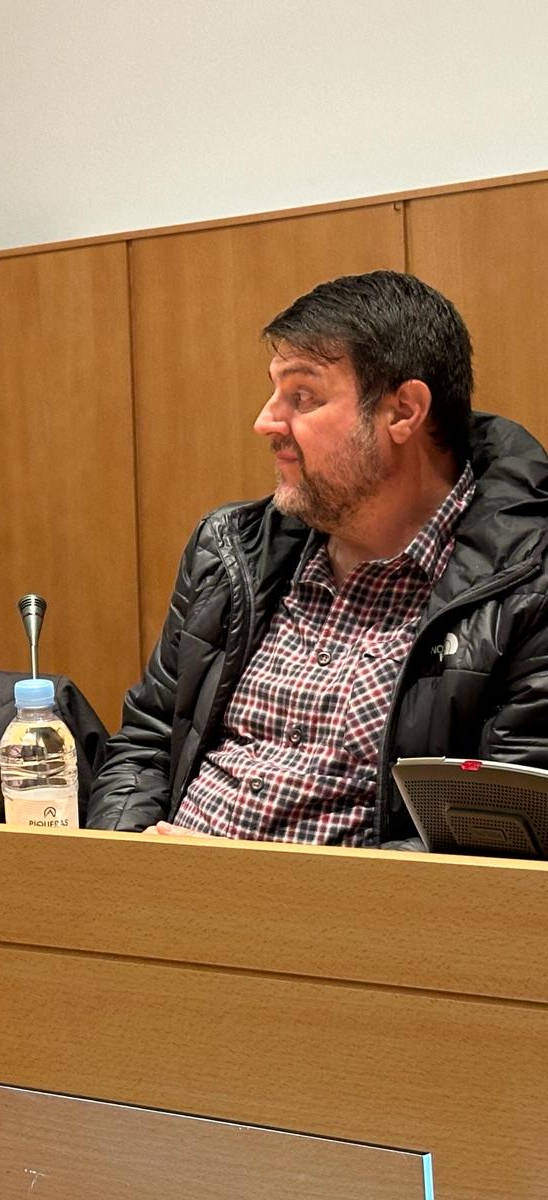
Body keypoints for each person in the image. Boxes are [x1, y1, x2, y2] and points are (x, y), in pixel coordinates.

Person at [88, 270, 548, 849]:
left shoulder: (529, 581)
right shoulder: (229, 550)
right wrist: (122, 857)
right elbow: (148, 741)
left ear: (403, 411)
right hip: (161, 908)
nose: (266, 422)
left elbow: (497, 837)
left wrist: (243, 887)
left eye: (301, 396)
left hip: (350, 927)